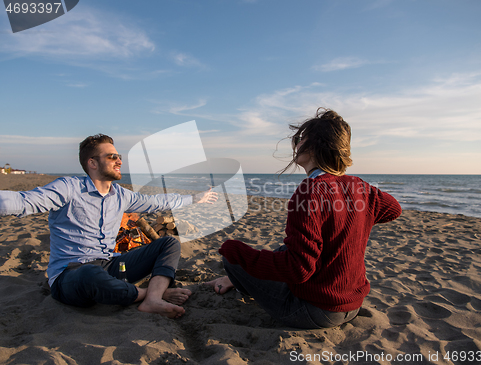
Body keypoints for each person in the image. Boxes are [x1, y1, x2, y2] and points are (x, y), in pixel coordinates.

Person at [206, 108, 402, 329]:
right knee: (285, 249)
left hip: (316, 310)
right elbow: (393, 209)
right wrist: (351, 220)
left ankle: (235, 276)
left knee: (233, 257)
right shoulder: (360, 186)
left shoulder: (311, 191)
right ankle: (232, 281)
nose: (296, 145)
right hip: (353, 304)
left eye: (299, 139)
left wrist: (236, 251)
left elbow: (298, 270)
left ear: (314, 146)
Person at [0, 134, 217, 318]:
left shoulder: (121, 195)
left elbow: (157, 202)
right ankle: (148, 294)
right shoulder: (69, 188)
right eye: (112, 157)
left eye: (119, 156)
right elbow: (24, 201)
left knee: (168, 243)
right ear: (92, 163)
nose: (119, 161)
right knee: (89, 275)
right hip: (71, 275)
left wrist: (195, 199)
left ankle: (152, 298)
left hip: (111, 267)